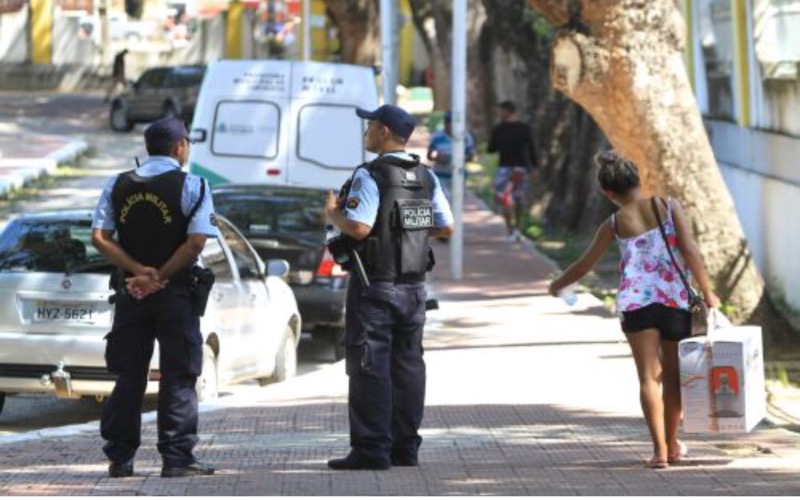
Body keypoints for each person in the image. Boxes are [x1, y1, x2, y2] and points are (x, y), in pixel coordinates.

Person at [547, 150, 720, 469]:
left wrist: (557, 284)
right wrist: (708, 292)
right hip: (674, 300)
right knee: (672, 376)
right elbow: (690, 250)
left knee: (646, 378)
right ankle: (672, 444)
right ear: (639, 180)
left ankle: (659, 453)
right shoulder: (668, 207)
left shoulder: (612, 223)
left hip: (635, 304)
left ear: (607, 193)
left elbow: (585, 265)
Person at [324, 104, 454, 470]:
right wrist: (408, 230)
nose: (365, 132)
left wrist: (333, 213)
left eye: (369, 126)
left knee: (369, 367)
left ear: (383, 131)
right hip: (414, 289)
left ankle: (371, 450)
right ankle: (405, 449)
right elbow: (446, 227)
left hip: (375, 288)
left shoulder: (371, 175)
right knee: (408, 367)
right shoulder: (427, 177)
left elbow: (360, 228)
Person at [91, 117, 218, 479]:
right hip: (176, 292)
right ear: (179, 147)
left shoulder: (117, 184)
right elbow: (196, 242)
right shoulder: (194, 184)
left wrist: (137, 273)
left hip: (131, 292)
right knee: (178, 375)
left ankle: (120, 458)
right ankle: (177, 459)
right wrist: (159, 276)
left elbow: (100, 237)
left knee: (128, 375)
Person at [487, 100, 537, 242]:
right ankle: (515, 230)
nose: (499, 114)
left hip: (509, 168)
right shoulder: (521, 128)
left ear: (508, 111)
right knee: (514, 199)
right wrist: (534, 167)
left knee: (511, 200)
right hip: (517, 168)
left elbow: (491, 149)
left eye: (500, 111)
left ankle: (513, 230)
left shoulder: (501, 129)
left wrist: (534, 167)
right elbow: (531, 148)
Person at [426, 111, 476, 194]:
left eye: (452, 122)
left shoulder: (465, 137)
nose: (449, 125)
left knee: (457, 201)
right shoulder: (437, 136)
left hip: (459, 175)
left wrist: (460, 159)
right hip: (440, 175)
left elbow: (471, 156)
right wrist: (437, 158)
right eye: (447, 122)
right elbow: (429, 156)